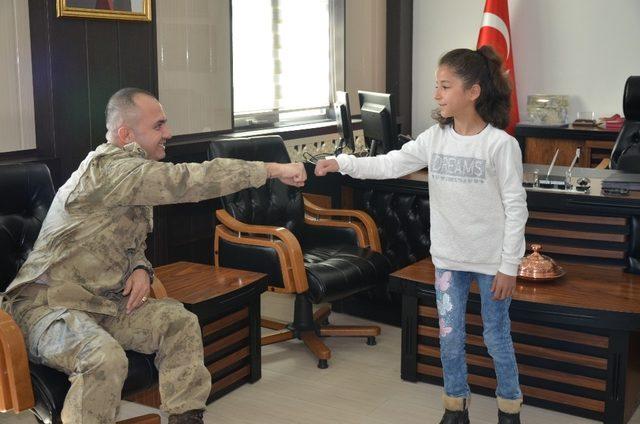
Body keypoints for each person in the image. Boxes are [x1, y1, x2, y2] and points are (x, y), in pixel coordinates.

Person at [0, 87, 306, 424]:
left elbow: (128, 241)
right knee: (103, 358)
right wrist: (271, 170)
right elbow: (189, 181)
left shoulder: (134, 177)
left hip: (103, 305)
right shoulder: (111, 171)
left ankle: (186, 418)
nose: (169, 134)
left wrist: (141, 268)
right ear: (126, 134)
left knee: (178, 323)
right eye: (158, 126)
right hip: (47, 308)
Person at [315, 47, 527, 424]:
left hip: (491, 264)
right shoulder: (435, 138)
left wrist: (509, 266)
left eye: (445, 86)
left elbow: (516, 209)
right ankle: (455, 407)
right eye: (437, 86)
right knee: (449, 338)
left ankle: (509, 407)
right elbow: (390, 163)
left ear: (473, 92)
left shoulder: (501, 145)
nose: (437, 94)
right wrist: (342, 163)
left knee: (495, 339)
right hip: (447, 260)